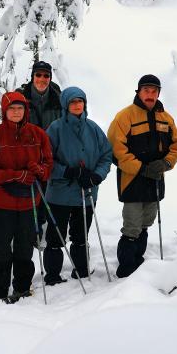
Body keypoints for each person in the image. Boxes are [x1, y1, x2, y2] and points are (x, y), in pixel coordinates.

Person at [0, 92, 53, 303]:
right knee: (0, 252)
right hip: (0, 205)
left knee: (24, 250)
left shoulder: (38, 135)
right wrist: (16, 175)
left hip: (29, 203)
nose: (16, 112)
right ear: (5, 111)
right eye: (12, 108)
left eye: (20, 108)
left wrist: (39, 169)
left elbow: (48, 166)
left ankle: (22, 290)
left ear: (25, 111)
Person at [107, 75, 177, 278]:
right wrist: (141, 168)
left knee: (146, 223)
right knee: (132, 227)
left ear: (158, 93)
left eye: (154, 91)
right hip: (132, 180)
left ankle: (139, 264)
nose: (150, 95)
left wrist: (166, 163)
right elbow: (116, 150)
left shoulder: (166, 118)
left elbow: (175, 146)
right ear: (138, 91)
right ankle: (126, 270)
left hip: (155, 180)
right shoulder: (125, 117)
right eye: (146, 90)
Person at [43, 86, 112, 285]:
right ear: (66, 104)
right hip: (60, 194)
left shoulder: (93, 128)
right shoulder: (55, 129)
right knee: (56, 237)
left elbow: (106, 155)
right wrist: (67, 171)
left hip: (87, 192)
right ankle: (53, 276)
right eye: (73, 102)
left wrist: (96, 176)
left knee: (81, 235)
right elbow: (46, 160)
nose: (77, 105)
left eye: (80, 101)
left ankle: (81, 271)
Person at [17, 61, 62, 231]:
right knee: (27, 195)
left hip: (50, 156)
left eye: (46, 75)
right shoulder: (21, 97)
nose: (42, 79)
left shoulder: (58, 99)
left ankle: (39, 228)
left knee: (46, 195)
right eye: (38, 75)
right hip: (25, 156)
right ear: (32, 76)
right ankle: (28, 231)